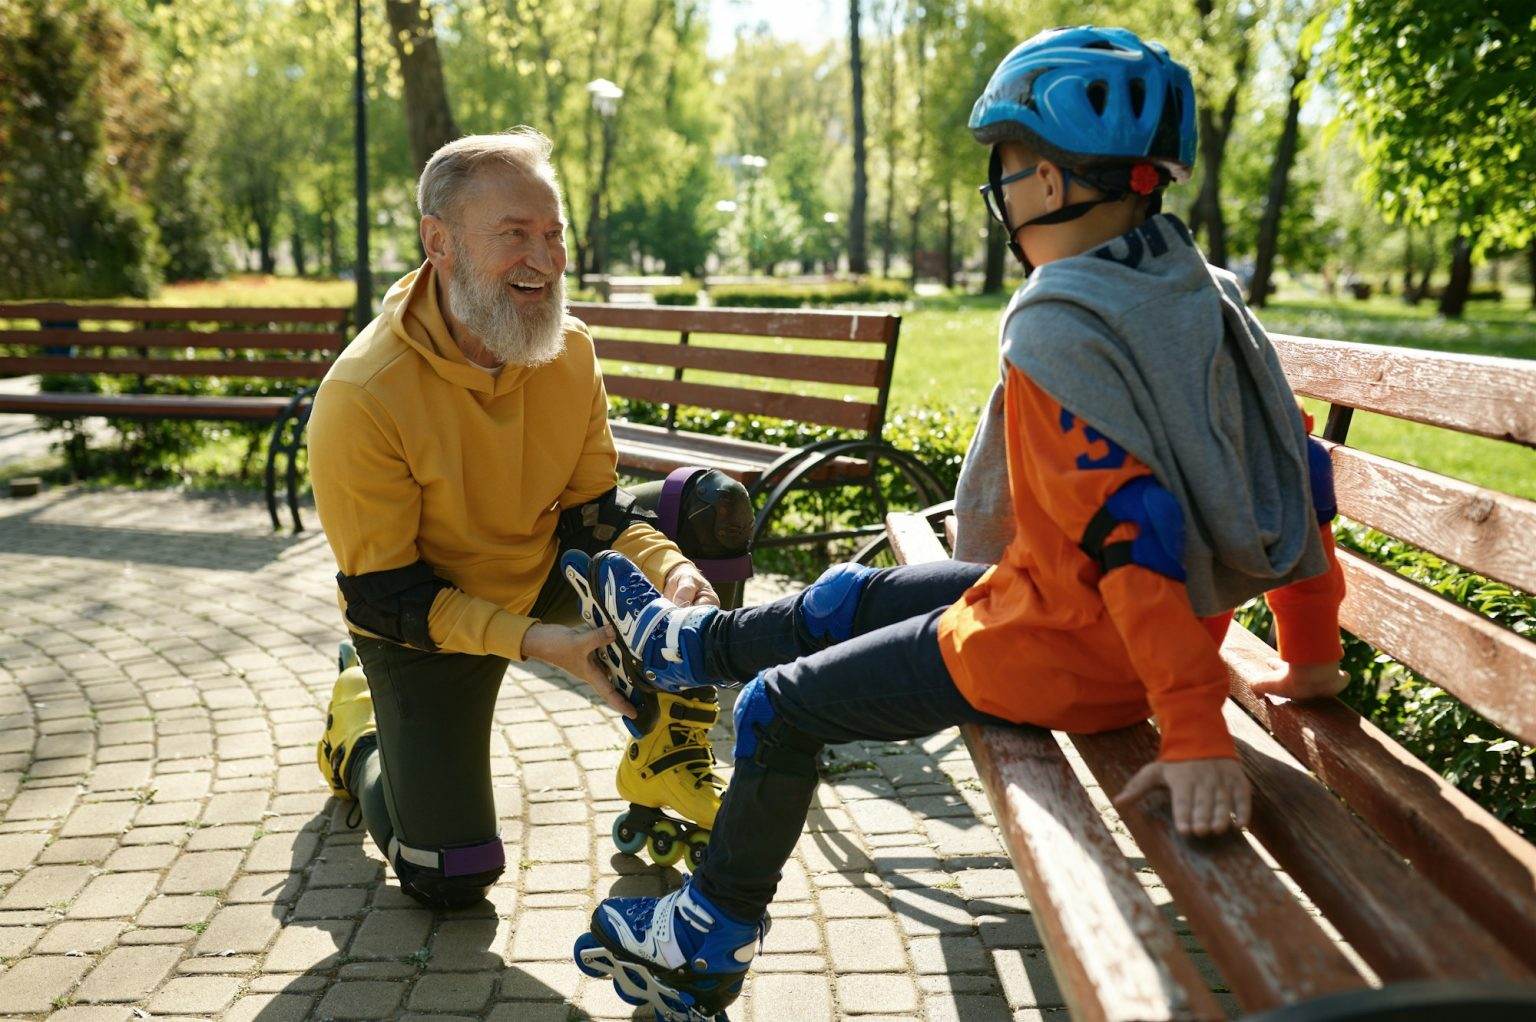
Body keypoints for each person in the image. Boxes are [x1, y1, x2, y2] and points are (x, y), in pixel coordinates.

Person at [566, 26, 1350, 1022]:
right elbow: (1300, 480)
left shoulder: (1063, 329)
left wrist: (1195, 734)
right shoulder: (1200, 292)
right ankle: (688, 644)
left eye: (1012, 167)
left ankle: (708, 931)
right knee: (856, 595)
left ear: (1063, 183)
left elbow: (1135, 530)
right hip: (1087, 613)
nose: (1003, 190)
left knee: (776, 708)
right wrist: (1312, 653)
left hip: (1076, 652)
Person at [306, 127, 749, 910]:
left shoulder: (568, 351)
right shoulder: (362, 395)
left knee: (709, 510)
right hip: (427, 620)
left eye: (553, 235)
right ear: (437, 242)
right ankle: (358, 731)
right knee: (451, 876)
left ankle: (670, 755)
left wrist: (674, 570)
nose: (543, 260)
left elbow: (595, 521)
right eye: (514, 235)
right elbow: (389, 597)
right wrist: (539, 644)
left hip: (543, 574)